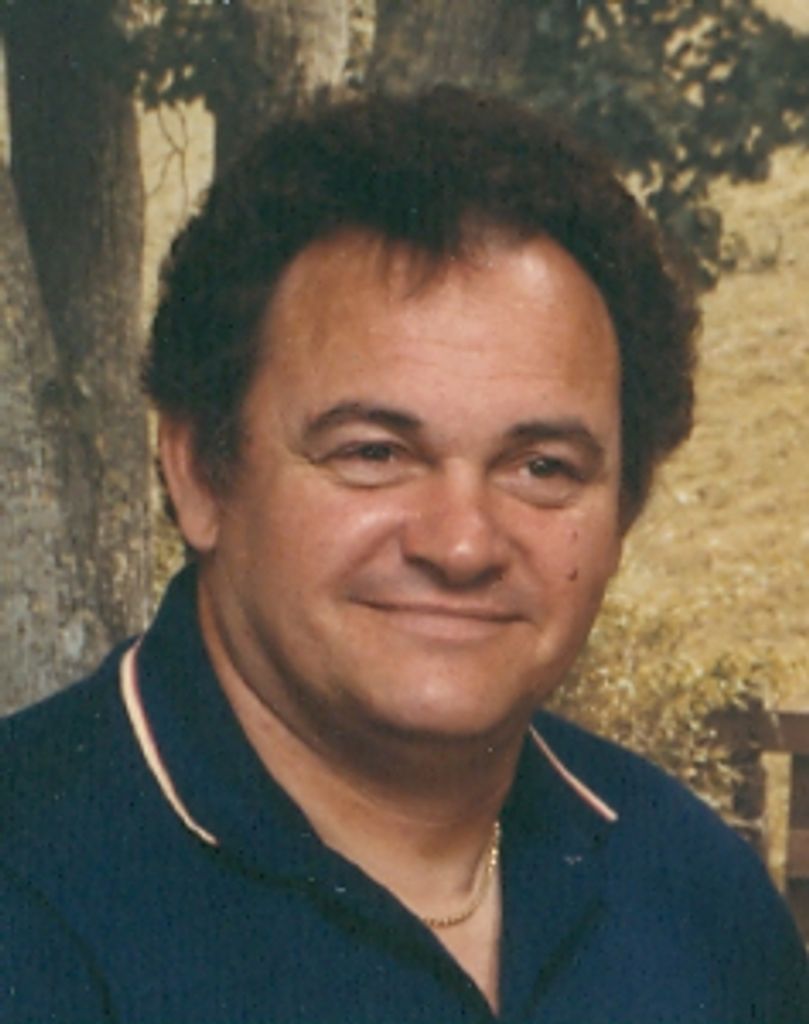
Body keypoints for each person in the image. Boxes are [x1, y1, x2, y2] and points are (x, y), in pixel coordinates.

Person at [2, 87, 806, 1024]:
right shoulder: (26, 896)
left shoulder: (699, 898)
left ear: (622, 508)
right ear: (199, 474)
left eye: (541, 467)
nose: (460, 544)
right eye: (374, 453)